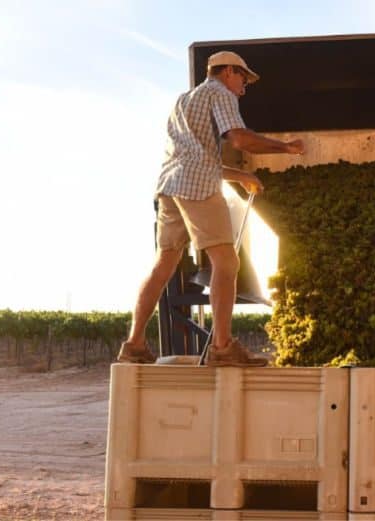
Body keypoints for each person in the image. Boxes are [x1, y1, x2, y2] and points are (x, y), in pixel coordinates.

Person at [117, 51, 304, 367]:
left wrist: (241, 175)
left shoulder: (183, 100)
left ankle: (133, 345)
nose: (243, 88)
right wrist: (285, 148)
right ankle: (222, 347)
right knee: (227, 261)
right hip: (198, 188)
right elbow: (240, 139)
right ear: (229, 71)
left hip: (168, 187)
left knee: (164, 263)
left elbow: (194, 158)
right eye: (243, 79)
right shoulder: (220, 92)